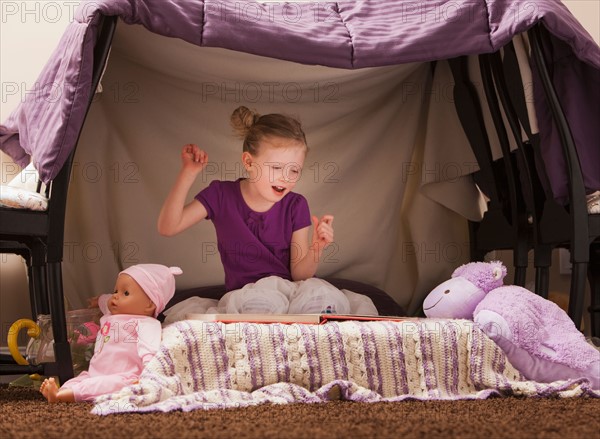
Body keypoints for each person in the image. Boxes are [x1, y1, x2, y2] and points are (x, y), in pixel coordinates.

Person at [158, 106, 376, 315]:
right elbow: (168, 227)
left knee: (323, 298)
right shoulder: (221, 196)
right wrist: (188, 172)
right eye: (276, 168)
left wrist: (316, 249)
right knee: (261, 305)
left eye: (294, 170)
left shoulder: (296, 205)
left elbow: (299, 274)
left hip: (292, 292)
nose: (285, 177)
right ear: (249, 162)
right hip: (249, 295)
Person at [40, 264, 182, 403]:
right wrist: (99, 300)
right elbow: (106, 301)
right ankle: (61, 392)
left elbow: (150, 352)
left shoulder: (146, 324)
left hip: (125, 377)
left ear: (149, 305)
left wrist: (148, 377)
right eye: (115, 291)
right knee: (77, 381)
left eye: (125, 293)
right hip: (94, 373)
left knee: (100, 386)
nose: (115, 297)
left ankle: (63, 396)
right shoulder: (112, 312)